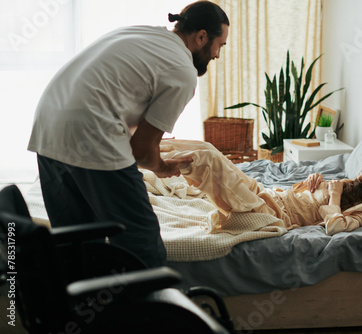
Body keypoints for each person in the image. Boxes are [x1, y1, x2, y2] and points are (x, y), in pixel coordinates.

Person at [27, 1, 230, 267]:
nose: (217, 54)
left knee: (77, 242)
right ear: (202, 36)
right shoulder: (183, 71)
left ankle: (85, 306)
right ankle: (142, 306)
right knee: (143, 245)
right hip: (92, 133)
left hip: (48, 126)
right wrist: (161, 166)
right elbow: (142, 152)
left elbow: (116, 91)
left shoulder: (141, 33)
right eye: (219, 45)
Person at [159, 140, 362, 235]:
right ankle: (149, 145)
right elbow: (303, 195)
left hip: (270, 214)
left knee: (209, 162)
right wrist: (311, 182)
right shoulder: (349, 183)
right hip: (268, 195)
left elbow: (335, 227)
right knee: (210, 148)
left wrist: (334, 197)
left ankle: (147, 158)